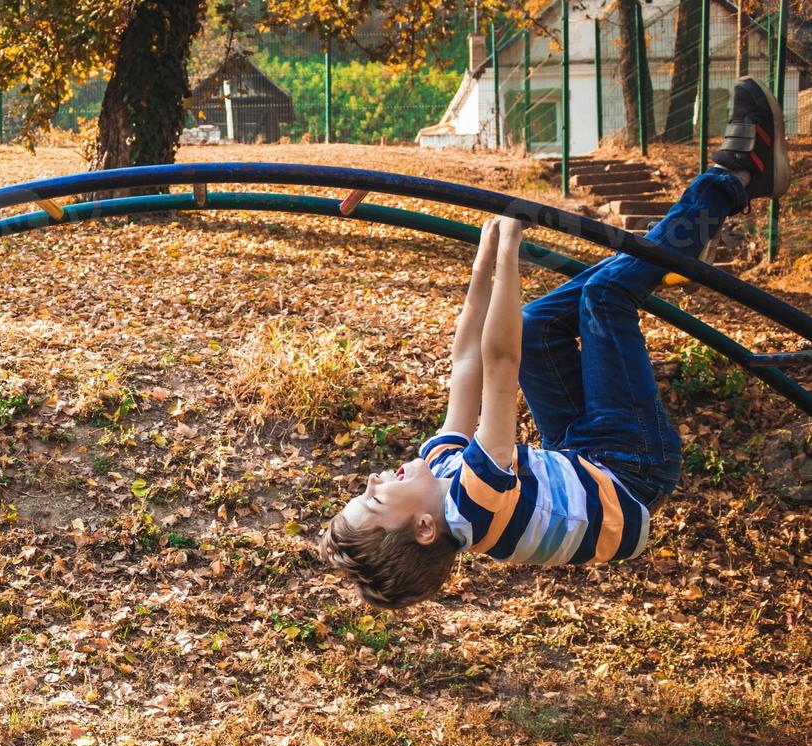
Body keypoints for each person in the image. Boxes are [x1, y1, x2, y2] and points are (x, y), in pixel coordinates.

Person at [321, 76, 790, 609]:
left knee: (539, 325)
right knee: (607, 295)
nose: (376, 477)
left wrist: (483, 254)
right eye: (377, 496)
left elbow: (467, 360)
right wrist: (508, 252)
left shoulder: (442, 469)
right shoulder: (474, 505)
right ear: (425, 527)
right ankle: (732, 180)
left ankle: (689, 231)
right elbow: (501, 366)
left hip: (580, 453)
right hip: (633, 468)